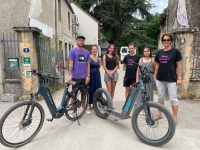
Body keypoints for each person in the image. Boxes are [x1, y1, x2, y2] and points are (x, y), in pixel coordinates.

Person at [154, 33, 182, 124]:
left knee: (173, 99)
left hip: (172, 79)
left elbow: (179, 65)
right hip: (160, 79)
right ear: (162, 42)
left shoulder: (176, 52)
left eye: (168, 40)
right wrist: (155, 76)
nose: (166, 41)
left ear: (171, 41)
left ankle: (174, 118)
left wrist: (179, 78)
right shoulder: (159, 52)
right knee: (160, 98)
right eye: (164, 40)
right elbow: (157, 64)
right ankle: (159, 114)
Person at [67, 34, 91, 116]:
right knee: (73, 94)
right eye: (79, 40)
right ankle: (73, 111)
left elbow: (88, 64)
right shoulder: (73, 51)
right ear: (77, 41)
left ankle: (84, 108)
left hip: (84, 77)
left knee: (84, 93)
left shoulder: (86, 52)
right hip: (75, 77)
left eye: (82, 40)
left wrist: (88, 75)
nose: (81, 41)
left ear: (84, 41)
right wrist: (70, 75)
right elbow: (70, 64)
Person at [88, 45, 102, 111]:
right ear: (91, 50)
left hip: (97, 75)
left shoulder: (98, 58)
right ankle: (89, 104)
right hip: (91, 75)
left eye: (96, 49)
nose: (95, 50)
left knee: (96, 88)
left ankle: (94, 103)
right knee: (90, 88)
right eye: (93, 49)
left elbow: (99, 67)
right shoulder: (89, 57)